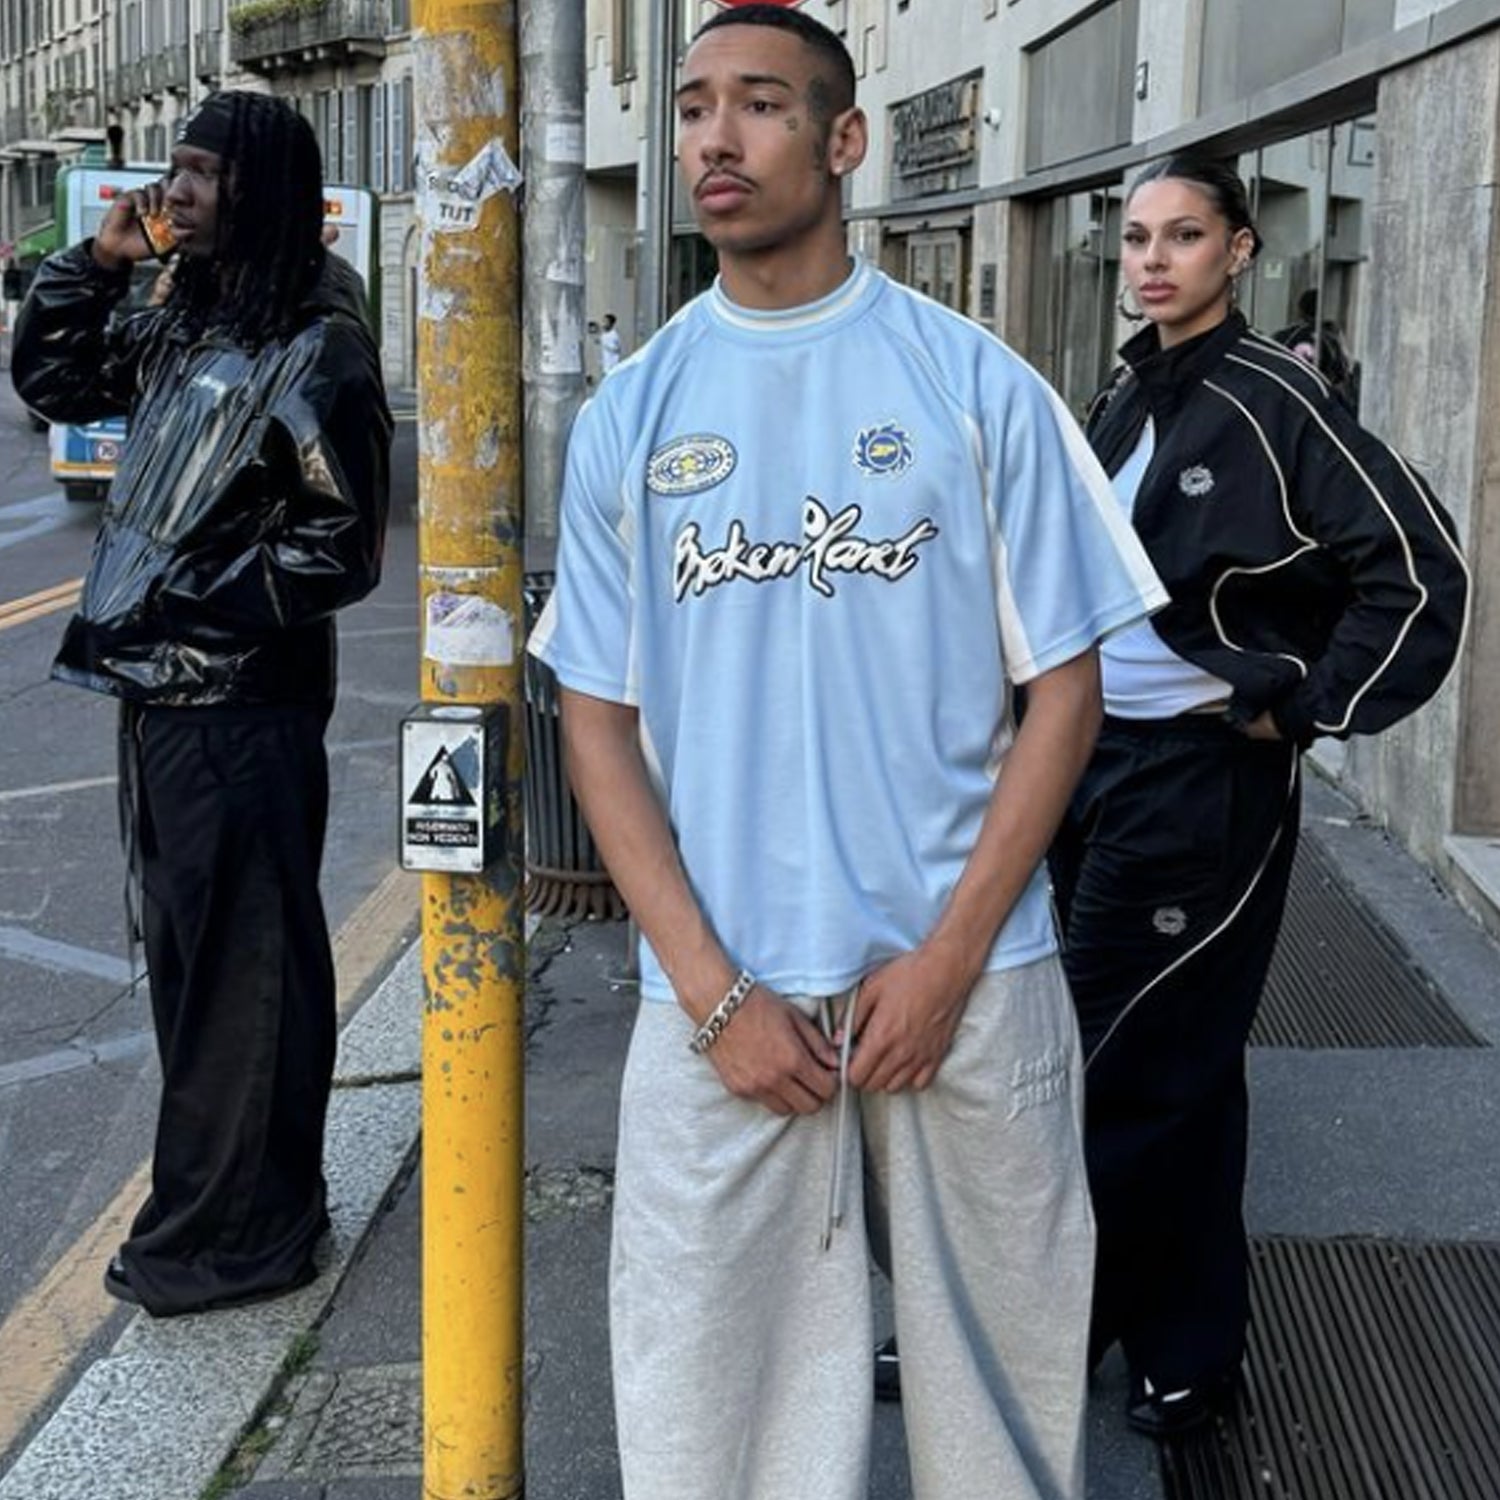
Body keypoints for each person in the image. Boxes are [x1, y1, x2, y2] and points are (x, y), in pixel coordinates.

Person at [528, 7, 1166, 1497]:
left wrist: (947, 962)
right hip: (720, 1003)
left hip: (970, 981)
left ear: (844, 138)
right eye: (695, 106)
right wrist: (714, 995)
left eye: (760, 104)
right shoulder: (634, 412)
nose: (715, 137)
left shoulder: (974, 384)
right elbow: (595, 721)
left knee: (1003, 1404)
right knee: (704, 1420)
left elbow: (1067, 689)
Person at [1049, 155, 1468, 1439]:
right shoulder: (1129, 388)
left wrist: (1304, 704)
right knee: (1139, 1052)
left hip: (1197, 777)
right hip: (1086, 765)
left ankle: (1137, 1342)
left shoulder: (1276, 397)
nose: (1152, 260)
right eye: (1136, 239)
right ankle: (1121, 1327)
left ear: (1239, 250)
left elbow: (1419, 569)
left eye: (1183, 236)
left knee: (1135, 1061)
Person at [12, 90, 391, 1317]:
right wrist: (96, 262)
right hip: (172, 691)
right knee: (199, 964)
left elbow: (340, 545)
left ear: (258, 188)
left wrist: (183, 599)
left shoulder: (315, 339)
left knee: (243, 971)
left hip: (236, 704)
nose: (172, 191)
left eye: (199, 173)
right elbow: (57, 379)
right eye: (170, 169)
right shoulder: (200, 311)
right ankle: (242, 1210)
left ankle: (235, 1233)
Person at [1273, 285, 1358, 413]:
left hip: (1287, 400)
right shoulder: (1330, 337)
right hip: (1318, 403)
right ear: (1322, 311)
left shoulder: (1283, 336)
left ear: (1299, 310)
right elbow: (1342, 374)